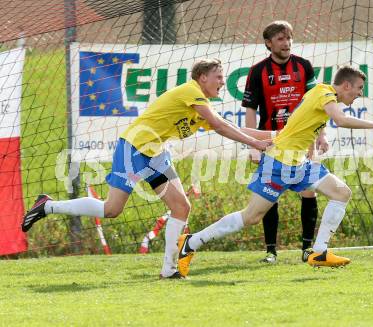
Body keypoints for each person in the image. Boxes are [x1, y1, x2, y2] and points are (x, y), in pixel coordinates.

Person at [22, 58, 273, 279]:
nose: (221, 81)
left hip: (155, 154)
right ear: (203, 77)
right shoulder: (191, 90)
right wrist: (255, 144)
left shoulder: (201, 106)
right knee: (111, 209)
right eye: (218, 77)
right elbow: (220, 126)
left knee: (181, 207)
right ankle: (47, 205)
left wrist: (276, 135)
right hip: (134, 148)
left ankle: (169, 270)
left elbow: (230, 126)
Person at [177, 65, 373, 277]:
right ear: (346, 86)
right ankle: (191, 242)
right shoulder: (325, 93)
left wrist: (312, 145)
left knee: (342, 192)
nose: (360, 93)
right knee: (252, 217)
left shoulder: (322, 95)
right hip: (279, 163)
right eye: (359, 88)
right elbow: (340, 120)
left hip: (299, 164)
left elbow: (305, 122)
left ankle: (319, 252)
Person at [243, 20, 325, 264]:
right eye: (280, 38)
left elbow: (319, 104)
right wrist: (251, 144)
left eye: (288, 37)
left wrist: (320, 134)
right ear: (269, 43)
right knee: (270, 195)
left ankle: (307, 249)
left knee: (309, 192)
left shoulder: (304, 66)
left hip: (302, 140)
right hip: (271, 142)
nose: (286, 42)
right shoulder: (258, 71)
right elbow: (250, 109)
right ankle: (271, 251)